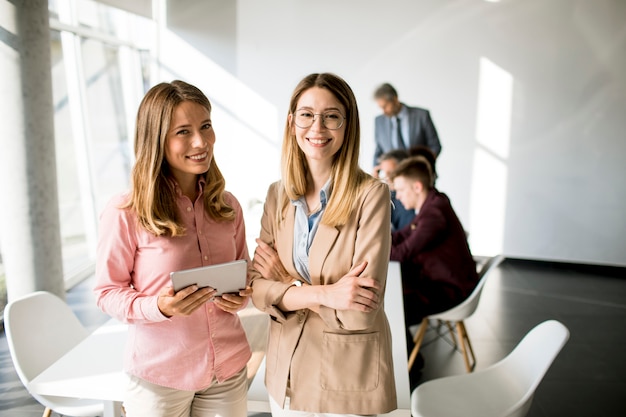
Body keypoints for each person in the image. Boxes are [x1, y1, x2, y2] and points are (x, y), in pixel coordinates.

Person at [94, 80, 252, 417]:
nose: (201, 141)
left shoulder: (228, 207)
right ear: (157, 139)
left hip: (226, 369)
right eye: (183, 131)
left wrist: (242, 297)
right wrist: (159, 307)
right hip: (159, 378)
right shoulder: (126, 211)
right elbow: (107, 292)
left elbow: (244, 273)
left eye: (206, 126)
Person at [251, 73, 397, 416]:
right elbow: (257, 290)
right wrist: (324, 293)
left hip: (345, 378)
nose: (317, 127)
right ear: (291, 122)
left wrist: (286, 286)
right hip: (285, 372)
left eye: (331, 116)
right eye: (306, 114)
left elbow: (360, 314)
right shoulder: (277, 194)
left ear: (348, 126)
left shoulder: (371, 196)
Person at [388, 156, 477, 385]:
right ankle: (410, 362)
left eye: (399, 190)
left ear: (417, 187)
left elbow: (404, 251)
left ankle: (410, 369)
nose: (396, 196)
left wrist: (371, 249)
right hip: (444, 280)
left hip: (450, 290)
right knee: (392, 298)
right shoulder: (434, 203)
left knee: (393, 307)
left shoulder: (434, 213)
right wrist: (381, 238)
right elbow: (405, 235)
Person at [372, 83, 441, 167]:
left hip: (420, 173)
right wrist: (375, 169)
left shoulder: (422, 116)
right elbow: (379, 150)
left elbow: (435, 146)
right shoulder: (379, 121)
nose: (383, 111)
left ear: (395, 99)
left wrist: (424, 166)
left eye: (385, 106)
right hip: (393, 177)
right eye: (380, 107)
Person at [374, 149, 415, 231]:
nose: (386, 178)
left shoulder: (409, 199)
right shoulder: (390, 195)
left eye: (390, 173)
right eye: (384, 173)